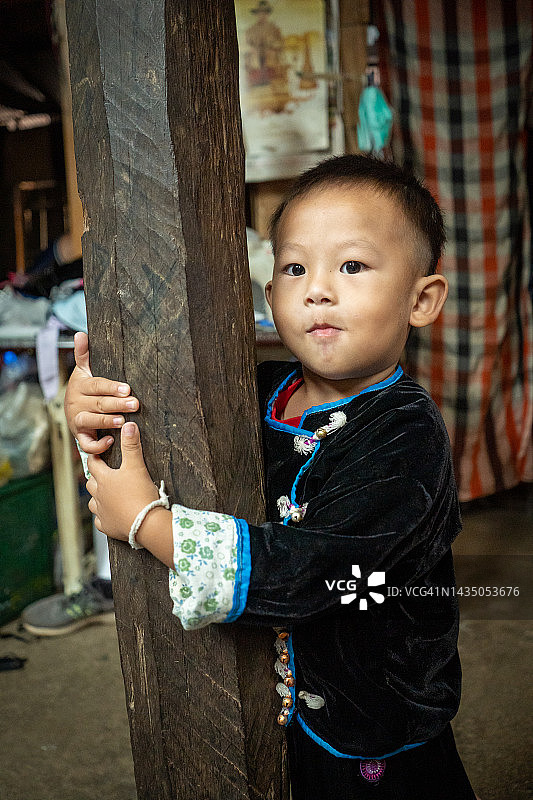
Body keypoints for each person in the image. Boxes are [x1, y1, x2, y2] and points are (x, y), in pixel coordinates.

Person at [63, 155, 478, 799]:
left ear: (421, 299)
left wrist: (148, 523)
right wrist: (88, 401)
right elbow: (149, 414)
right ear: (269, 297)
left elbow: (314, 570)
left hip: (373, 732)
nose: (317, 289)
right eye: (294, 268)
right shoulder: (256, 391)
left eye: (352, 266)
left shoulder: (404, 440)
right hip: (279, 708)